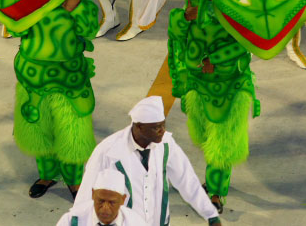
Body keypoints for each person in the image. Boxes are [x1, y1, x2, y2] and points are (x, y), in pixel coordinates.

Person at [75, 97, 221, 225]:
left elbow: (186, 180)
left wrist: (211, 214)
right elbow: (86, 194)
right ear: (139, 127)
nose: (162, 131)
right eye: (156, 127)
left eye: (163, 125)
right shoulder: (107, 151)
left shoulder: (166, 144)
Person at [57, 169, 145, 226]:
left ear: (123, 199)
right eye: (101, 201)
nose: (105, 207)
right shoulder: (72, 221)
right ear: (93, 194)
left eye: (112, 202)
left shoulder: (135, 222)